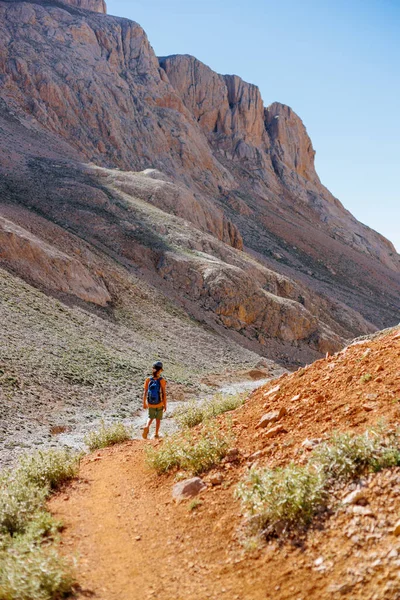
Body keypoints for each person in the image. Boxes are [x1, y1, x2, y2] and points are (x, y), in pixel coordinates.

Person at [142, 361, 167, 440]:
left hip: (150, 403)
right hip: (159, 403)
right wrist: (165, 405)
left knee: (150, 416)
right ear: (159, 370)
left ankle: (147, 426)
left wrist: (144, 403)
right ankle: (156, 434)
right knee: (158, 419)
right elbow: (163, 393)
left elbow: (145, 392)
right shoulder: (161, 380)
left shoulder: (148, 380)